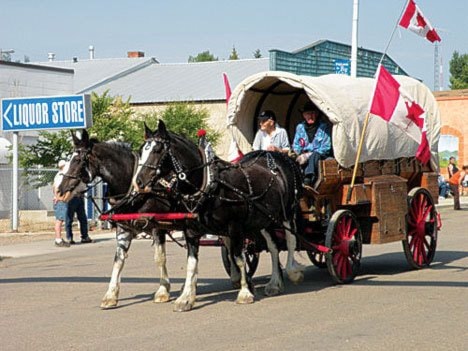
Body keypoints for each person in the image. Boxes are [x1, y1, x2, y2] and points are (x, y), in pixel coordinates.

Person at [293, 101, 332, 186]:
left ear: (317, 114)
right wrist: (300, 154)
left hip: (320, 157)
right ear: (304, 115)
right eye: (308, 114)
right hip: (303, 157)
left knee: (315, 155)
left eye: (313, 113)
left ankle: (308, 178)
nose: (310, 116)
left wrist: (309, 155)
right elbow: (296, 145)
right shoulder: (300, 128)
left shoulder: (324, 127)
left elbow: (326, 147)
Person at [53, 160, 70, 247]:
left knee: (60, 220)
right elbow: (56, 188)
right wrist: (60, 198)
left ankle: (58, 238)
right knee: (59, 220)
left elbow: (53, 186)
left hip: (60, 200)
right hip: (60, 201)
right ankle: (58, 239)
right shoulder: (61, 175)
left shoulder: (58, 174)